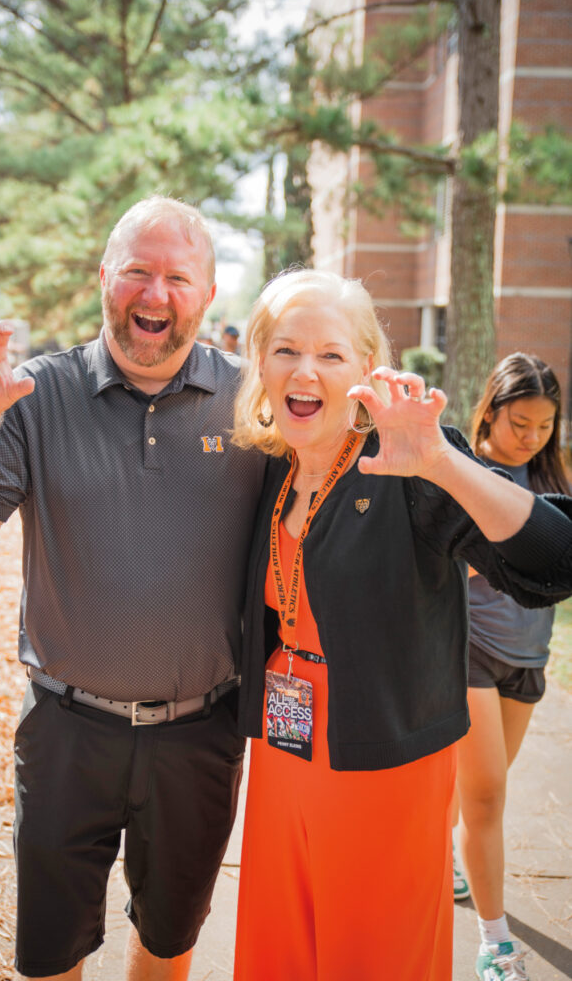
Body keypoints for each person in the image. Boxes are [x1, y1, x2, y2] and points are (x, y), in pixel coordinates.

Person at [0, 196, 266, 981]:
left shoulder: (254, 405)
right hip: (65, 731)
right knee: (50, 957)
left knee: (168, 944)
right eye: (137, 271)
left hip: (198, 736)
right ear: (103, 278)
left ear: (208, 295)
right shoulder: (34, 395)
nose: (155, 294)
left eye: (177, 277)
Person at [230, 270, 572, 981]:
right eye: (286, 349)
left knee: (372, 955)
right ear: (260, 363)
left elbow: (552, 563)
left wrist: (444, 462)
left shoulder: (408, 462)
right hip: (285, 752)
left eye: (330, 354)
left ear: (364, 367)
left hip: (383, 762)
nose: (305, 370)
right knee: (283, 947)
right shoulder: (271, 467)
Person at [455, 354, 571, 981]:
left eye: (544, 427)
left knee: (475, 794)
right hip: (468, 650)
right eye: (520, 423)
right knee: (487, 796)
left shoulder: (554, 478)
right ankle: (494, 943)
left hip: (528, 659)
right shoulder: (466, 470)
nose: (531, 438)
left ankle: (439, 856)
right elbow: (446, 570)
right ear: (492, 410)